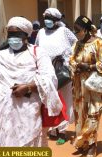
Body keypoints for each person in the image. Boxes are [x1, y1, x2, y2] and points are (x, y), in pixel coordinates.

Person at [0, 16, 62, 157]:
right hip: (1, 118)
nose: (13, 38)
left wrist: (29, 87)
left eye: (17, 35)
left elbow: (50, 79)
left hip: (28, 118)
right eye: (10, 35)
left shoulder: (38, 54)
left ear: (26, 36)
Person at [35, 7, 77, 145]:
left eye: (50, 19)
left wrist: (67, 59)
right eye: (45, 18)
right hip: (45, 71)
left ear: (56, 20)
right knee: (48, 100)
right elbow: (35, 48)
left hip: (61, 71)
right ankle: (52, 129)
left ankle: (63, 131)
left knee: (63, 99)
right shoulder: (41, 32)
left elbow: (76, 45)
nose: (47, 21)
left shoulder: (64, 31)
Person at [69, 15, 102, 157]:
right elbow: (71, 59)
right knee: (80, 114)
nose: (76, 32)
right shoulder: (77, 44)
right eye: (74, 29)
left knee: (93, 115)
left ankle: (92, 146)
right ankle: (83, 143)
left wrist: (89, 66)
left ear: (86, 30)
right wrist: (75, 67)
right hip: (79, 86)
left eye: (78, 29)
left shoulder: (99, 43)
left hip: (94, 86)